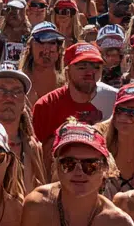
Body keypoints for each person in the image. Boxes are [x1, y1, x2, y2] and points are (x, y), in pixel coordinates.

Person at [32, 42, 117, 172]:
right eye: (82, 67)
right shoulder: (46, 105)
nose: (90, 72)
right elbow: (39, 155)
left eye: (96, 67)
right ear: (67, 71)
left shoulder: (114, 100)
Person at [0, 61, 45, 195]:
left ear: (24, 100)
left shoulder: (33, 148)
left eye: (17, 91)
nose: (9, 97)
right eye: (1, 90)